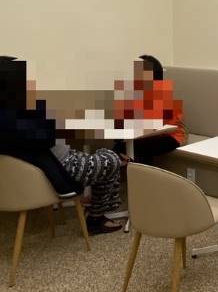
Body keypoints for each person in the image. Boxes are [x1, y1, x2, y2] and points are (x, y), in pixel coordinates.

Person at [0, 56, 125, 235]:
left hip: (52, 164)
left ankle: (92, 202)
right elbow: (47, 137)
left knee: (105, 153)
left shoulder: (10, 112)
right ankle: (96, 218)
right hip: (63, 167)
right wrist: (39, 105)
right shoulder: (15, 117)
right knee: (112, 160)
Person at [114, 54, 186, 165]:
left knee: (129, 147)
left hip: (171, 136)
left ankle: (140, 173)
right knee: (121, 145)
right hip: (147, 134)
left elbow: (158, 126)